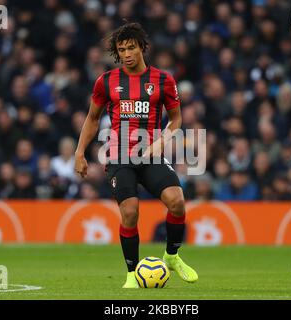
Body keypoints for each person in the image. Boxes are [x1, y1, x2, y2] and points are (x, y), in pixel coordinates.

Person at [74, 22, 198, 288]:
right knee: (130, 212)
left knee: (176, 201)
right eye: (122, 49)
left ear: (142, 47)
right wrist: (79, 152)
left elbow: (176, 120)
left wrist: (161, 143)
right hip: (119, 156)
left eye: (131, 47)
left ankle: (172, 257)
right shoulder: (106, 81)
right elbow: (92, 119)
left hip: (151, 154)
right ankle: (132, 274)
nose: (127, 53)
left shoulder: (164, 80)